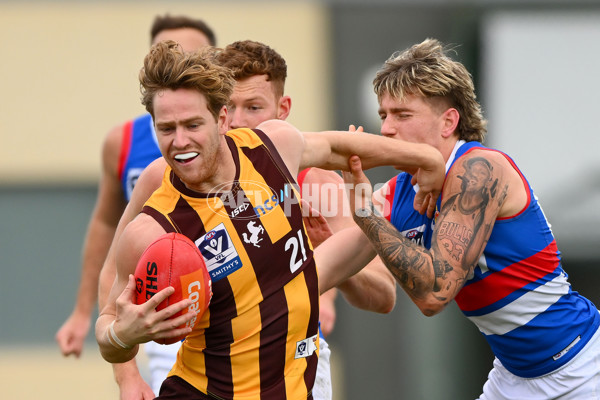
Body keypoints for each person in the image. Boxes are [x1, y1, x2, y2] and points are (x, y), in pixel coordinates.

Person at [95, 40, 445, 399]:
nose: (180, 141)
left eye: (192, 125)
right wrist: (124, 340)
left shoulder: (272, 149)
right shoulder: (151, 226)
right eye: (166, 129)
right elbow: (109, 320)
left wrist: (427, 159)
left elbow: (340, 150)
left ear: (220, 119)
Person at [342, 38, 600, 399]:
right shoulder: (398, 191)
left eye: (402, 115)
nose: (385, 129)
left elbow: (434, 295)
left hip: (581, 367)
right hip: (513, 376)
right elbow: (354, 281)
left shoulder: (481, 169)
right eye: (384, 115)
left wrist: (364, 214)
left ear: (449, 122)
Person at [215, 40, 397, 400]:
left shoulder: (313, 182)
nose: (237, 122)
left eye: (253, 107)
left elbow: (384, 294)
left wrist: (332, 255)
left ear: (283, 109)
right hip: (209, 360)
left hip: (293, 362)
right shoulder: (189, 178)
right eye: (227, 107)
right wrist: (127, 375)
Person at [54, 13, 216, 398]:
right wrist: (83, 315)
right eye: (167, 53)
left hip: (239, 308)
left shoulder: (241, 137)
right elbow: (109, 230)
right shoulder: (124, 142)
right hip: (166, 312)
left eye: (191, 54)